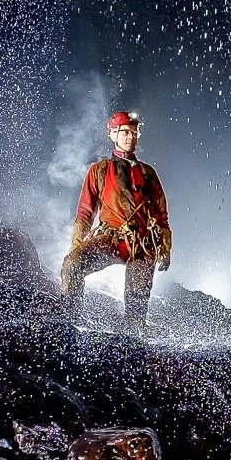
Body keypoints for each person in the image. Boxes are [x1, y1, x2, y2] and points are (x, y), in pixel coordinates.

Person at [60, 109, 172, 334]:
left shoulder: (148, 174)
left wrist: (165, 247)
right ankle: (68, 323)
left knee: (136, 307)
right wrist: (77, 245)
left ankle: (132, 342)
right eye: (124, 132)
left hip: (141, 246)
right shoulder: (99, 171)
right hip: (111, 239)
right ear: (112, 134)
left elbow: (161, 214)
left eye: (134, 132)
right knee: (72, 265)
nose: (130, 137)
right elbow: (85, 213)